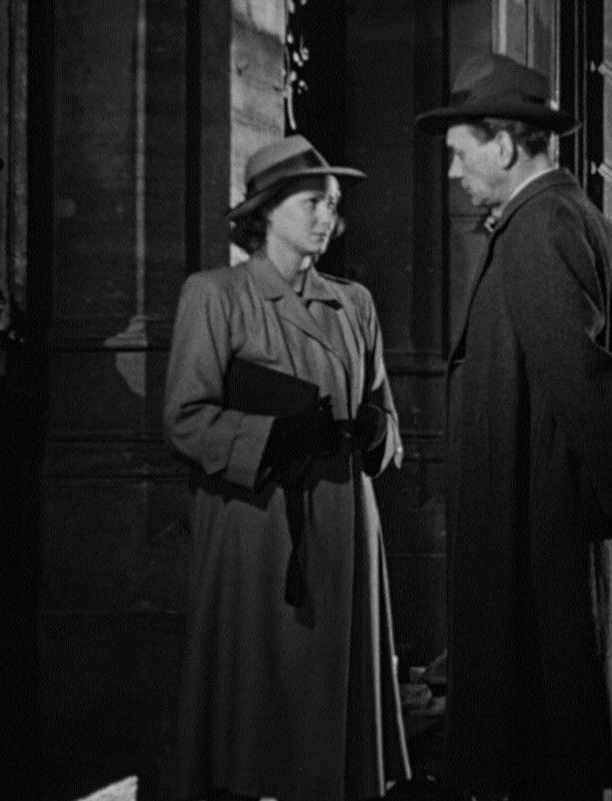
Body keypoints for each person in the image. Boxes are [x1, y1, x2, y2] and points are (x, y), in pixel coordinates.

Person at [416, 54, 612, 801]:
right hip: (566, 535)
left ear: (504, 146)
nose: (453, 172)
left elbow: (590, 391)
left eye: (460, 152)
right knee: (567, 738)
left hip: (537, 544)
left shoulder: (537, 231)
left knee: (538, 748)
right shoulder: (588, 224)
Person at [163, 136, 410, 801]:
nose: (328, 216)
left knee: (330, 709)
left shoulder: (354, 304)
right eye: (312, 202)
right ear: (266, 211)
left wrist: (376, 430)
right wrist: (273, 436)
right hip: (260, 528)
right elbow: (185, 419)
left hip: (345, 523)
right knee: (260, 707)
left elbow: (386, 414)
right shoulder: (216, 295)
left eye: (333, 203)